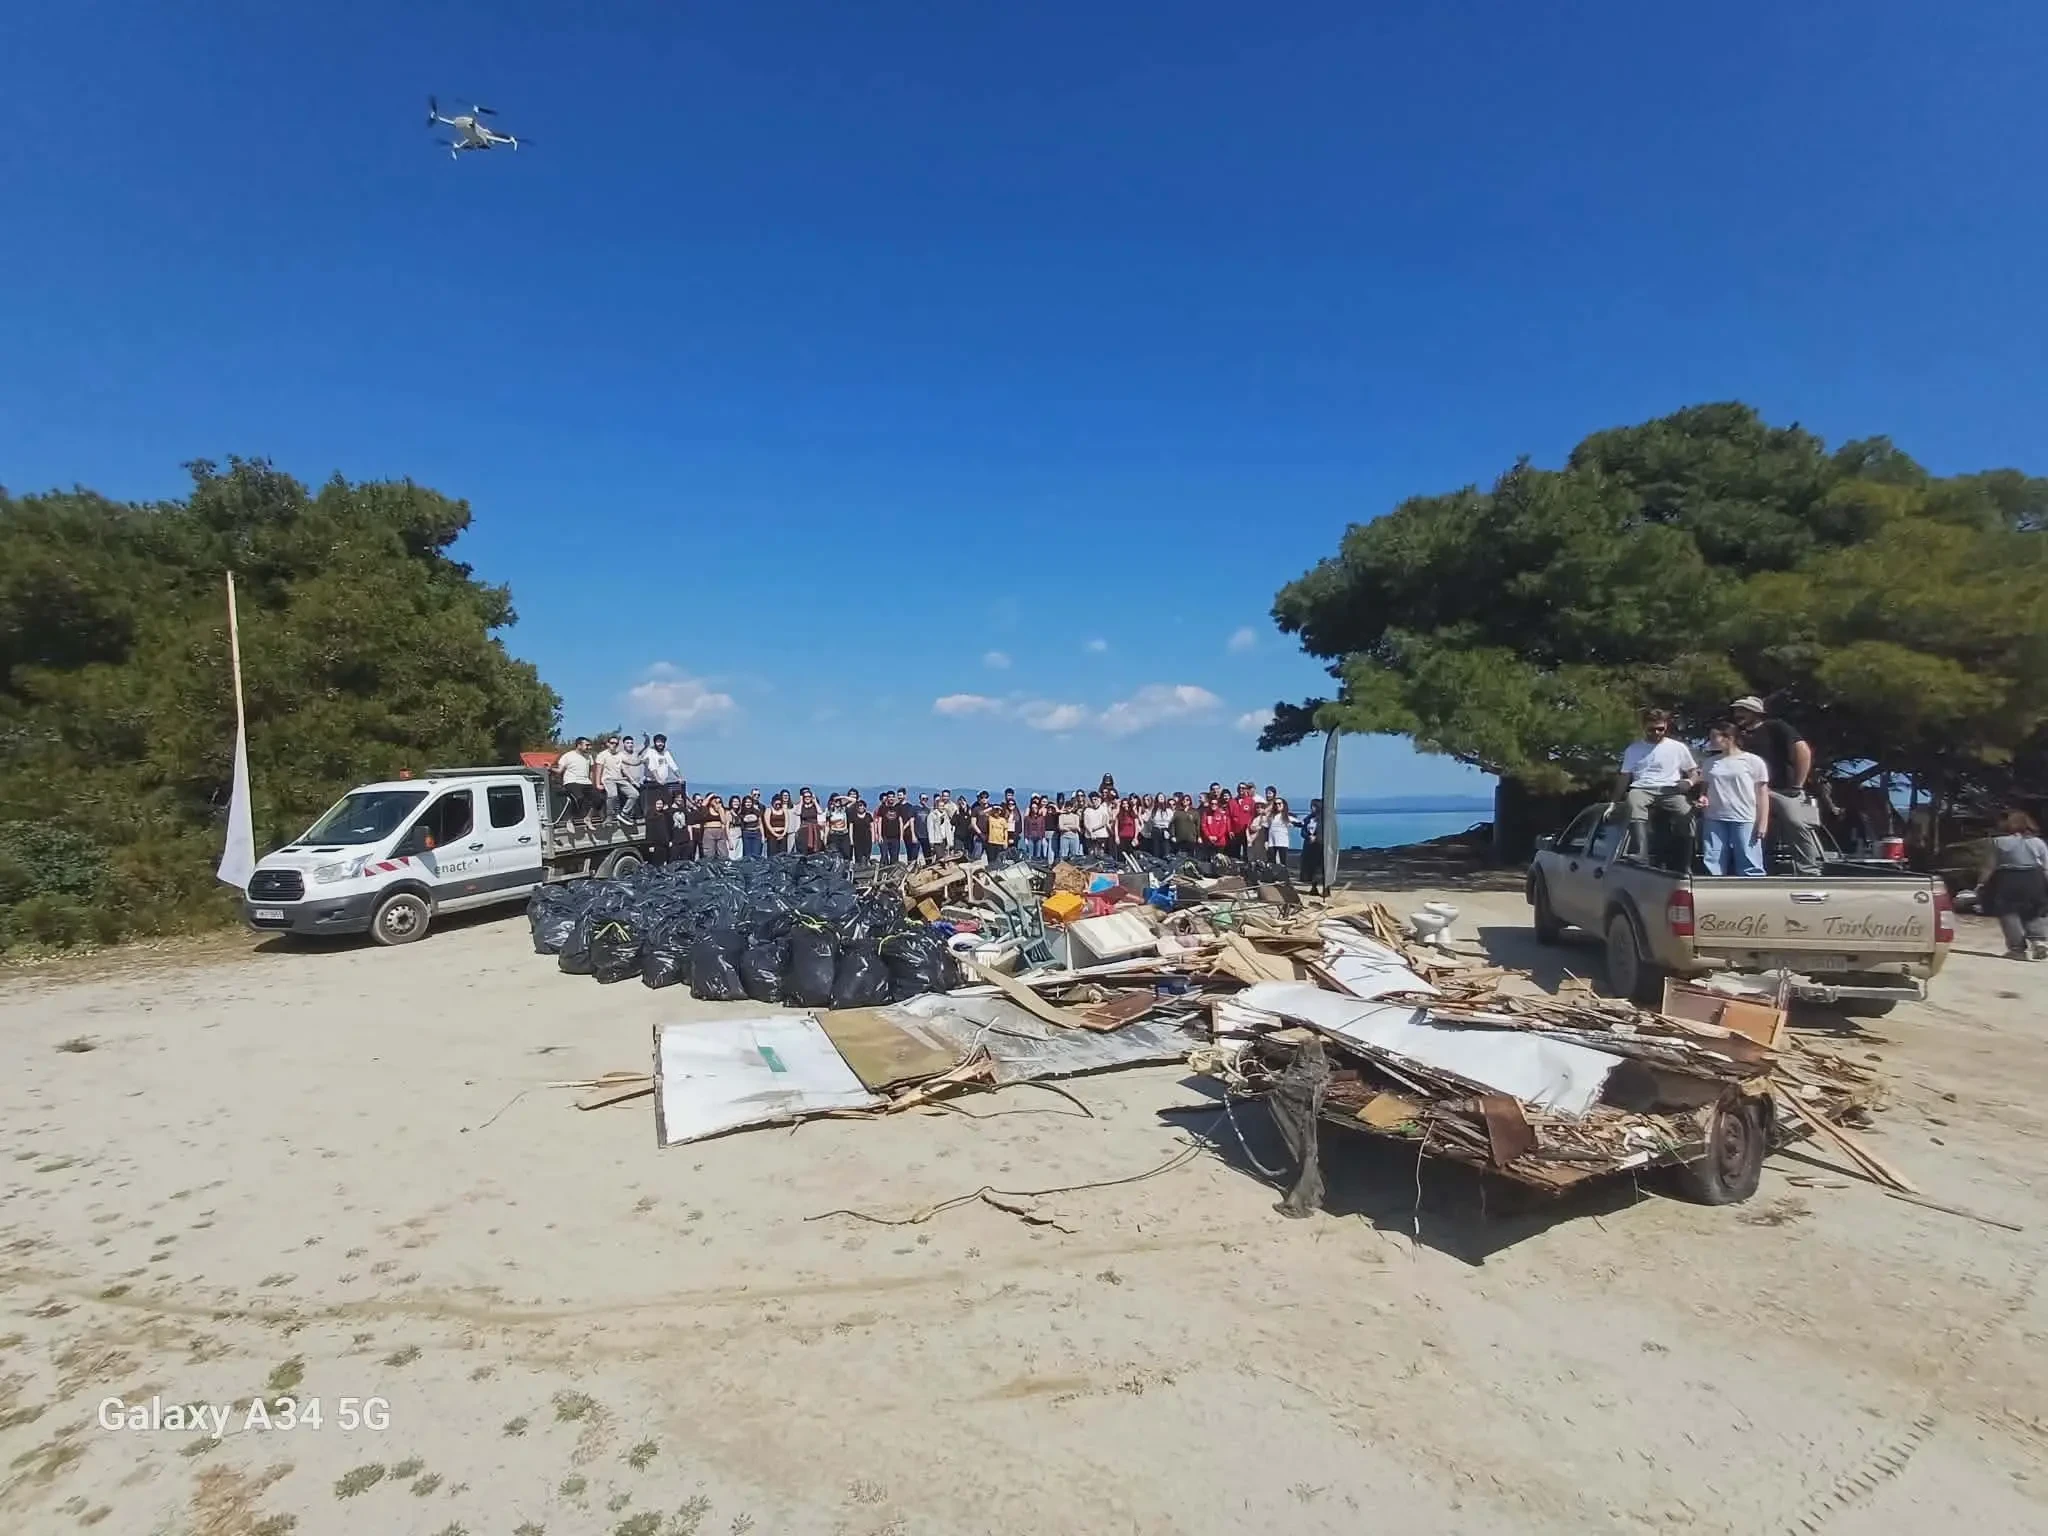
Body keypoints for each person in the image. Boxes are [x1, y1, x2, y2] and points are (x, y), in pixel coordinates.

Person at [1730, 695, 1823, 876]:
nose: (1738, 714)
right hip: (1751, 792)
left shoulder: (1775, 727)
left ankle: (1808, 869)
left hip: (1782, 790)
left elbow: (1802, 750)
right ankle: (1757, 867)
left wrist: (1798, 785)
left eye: (1743, 710)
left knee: (1795, 823)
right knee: (1752, 828)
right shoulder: (1737, 735)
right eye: (1736, 710)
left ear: (1756, 713)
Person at [1617, 709, 1700, 868]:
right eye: (1651, 729)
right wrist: (1614, 801)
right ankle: (1640, 852)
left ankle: (1686, 861)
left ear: (1666, 727)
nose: (1656, 732)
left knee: (1686, 812)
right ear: (1644, 727)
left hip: (1670, 789)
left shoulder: (1677, 747)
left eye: (1660, 729)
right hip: (1642, 787)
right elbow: (1624, 776)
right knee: (1634, 803)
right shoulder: (1634, 749)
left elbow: (1693, 772)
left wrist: (1689, 782)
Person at [1698, 721, 1770, 877]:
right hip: (1714, 817)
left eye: (1714, 737)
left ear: (1728, 738)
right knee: (1713, 858)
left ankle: (1753, 891)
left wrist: (1762, 822)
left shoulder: (1753, 761)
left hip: (1744, 816)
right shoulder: (1710, 763)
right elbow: (1705, 788)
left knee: (1748, 858)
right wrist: (1702, 798)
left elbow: (1762, 794)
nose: (1710, 741)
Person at [1978, 810, 2048, 961]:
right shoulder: (2038, 842)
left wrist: (1981, 883)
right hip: (2034, 877)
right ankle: (2039, 941)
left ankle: (2017, 949)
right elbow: (2045, 866)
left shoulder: (1999, 842)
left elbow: (1989, 866)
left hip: (2008, 878)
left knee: (2008, 913)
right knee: (2034, 909)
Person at [555, 737, 600, 832]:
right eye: (587, 745)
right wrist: (549, 768)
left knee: (599, 799)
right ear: (579, 745)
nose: (589, 747)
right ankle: (570, 820)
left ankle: (588, 818)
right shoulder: (567, 756)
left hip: (586, 782)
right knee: (579, 798)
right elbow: (559, 770)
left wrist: (593, 783)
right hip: (571, 781)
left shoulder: (589, 757)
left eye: (589, 745)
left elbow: (591, 772)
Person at [640, 734, 681, 821]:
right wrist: (658, 779)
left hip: (662, 783)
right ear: (655, 743)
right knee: (653, 807)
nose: (660, 744)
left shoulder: (666, 753)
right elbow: (652, 767)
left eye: (662, 742)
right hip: (651, 784)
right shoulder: (650, 751)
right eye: (658, 742)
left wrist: (680, 777)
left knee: (667, 802)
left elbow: (673, 765)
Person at [1300, 798, 1326, 894]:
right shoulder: (1308, 818)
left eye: (1314, 806)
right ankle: (1313, 887)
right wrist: (1308, 837)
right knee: (1311, 867)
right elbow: (1303, 831)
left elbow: (1326, 832)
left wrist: (1317, 838)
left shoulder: (1324, 819)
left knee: (1320, 867)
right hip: (1309, 846)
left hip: (1320, 846)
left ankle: (1325, 888)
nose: (1312, 808)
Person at [1266, 795, 1294, 874]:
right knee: (1271, 861)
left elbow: (1300, 823)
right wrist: (1266, 841)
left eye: (1279, 804)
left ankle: (1283, 877)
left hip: (1283, 842)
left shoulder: (1287, 816)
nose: (1277, 805)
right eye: (1275, 804)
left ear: (1283, 805)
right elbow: (1266, 827)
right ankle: (1272, 876)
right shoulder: (1271, 816)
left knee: (1283, 861)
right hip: (1272, 842)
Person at [699, 795, 731, 862]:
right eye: (714, 800)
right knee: (709, 852)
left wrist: (719, 809)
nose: (716, 802)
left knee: (723, 852)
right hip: (708, 831)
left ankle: (723, 866)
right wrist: (711, 795)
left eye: (719, 801)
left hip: (719, 831)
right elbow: (703, 804)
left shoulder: (720, 809)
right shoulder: (706, 809)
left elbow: (724, 821)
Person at [877, 793, 905, 865]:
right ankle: (884, 872)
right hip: (884, 836)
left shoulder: (898, 808)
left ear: (895, 798)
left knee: (894, 857)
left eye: (893, 797)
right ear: (887, 798)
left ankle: (893, 874)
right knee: (884, 856)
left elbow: (901, 822)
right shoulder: (882, 808)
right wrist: (879, 835)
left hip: (895, 837)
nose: (891, 798)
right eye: (889, 797)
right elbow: (879, 822)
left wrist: (901, 836)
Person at [1081, 793, 1111, 858]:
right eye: (1092, 800)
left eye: (1095, 799)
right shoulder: (1087, 810)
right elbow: (1085, 823)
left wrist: (1094, 829)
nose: (1094, 801)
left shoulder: (1104, 809)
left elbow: (1104, 822)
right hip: (1089, 835)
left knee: (1101, 853)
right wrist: (1090, 832)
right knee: (1091, 853)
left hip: (1101, 835)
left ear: (1099, 799)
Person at [1057, 796, 1084, 861]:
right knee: (1063, 854)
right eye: (1067, 807)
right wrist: (1071, 827)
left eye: (1070, 807)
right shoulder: (1061, 816)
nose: (1069, 808)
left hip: (1074, 837)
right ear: (1065, 807)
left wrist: (1066, 827)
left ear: (1072, 808)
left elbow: (1076, 827)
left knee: (1074, 854)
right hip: (1064, 837)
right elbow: (1061, 827)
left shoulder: (1076, 816)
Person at [848, 796, 874, 864]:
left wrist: (873, 838)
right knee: (858, 856)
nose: (860, 807)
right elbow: (851, 828)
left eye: (862, 806)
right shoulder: (853, 816)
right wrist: (851, 839)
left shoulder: (868, 815)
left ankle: (867, 868)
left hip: (867, 838)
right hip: (857, 839)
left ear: (865, 807)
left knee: (867, 855)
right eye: (859, 806)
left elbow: (872, 827)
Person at [985, 800, 1012, 864]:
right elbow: (982, 813)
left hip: (1000, 842)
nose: (997, 811)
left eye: (998, 810)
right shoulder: (990, 818)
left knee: (999, 861)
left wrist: (1005, 842)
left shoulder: (1003, 820)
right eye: (996, 810)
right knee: (991, 860)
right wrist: (992, 808)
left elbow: (1005, 831)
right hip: (991, 842)